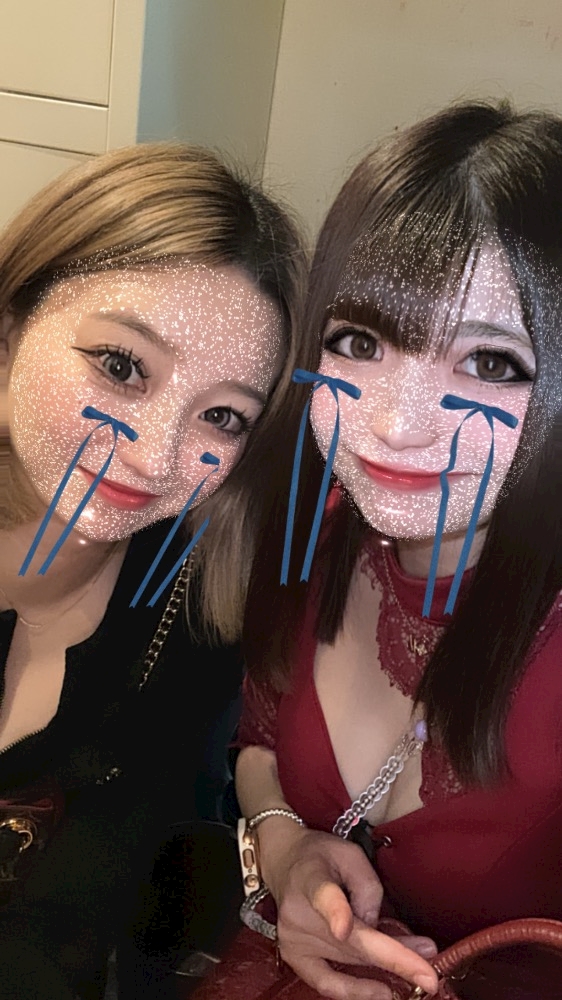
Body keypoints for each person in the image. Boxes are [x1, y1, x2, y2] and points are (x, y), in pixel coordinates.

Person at [233, 102, 562, 1000]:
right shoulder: (315, 527)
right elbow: (257, 740)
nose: (395, 425)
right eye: (361, 341)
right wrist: (286, 850)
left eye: (490, 363)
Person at [0, 142, 304, 999]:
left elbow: (66, 937)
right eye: (121, 365)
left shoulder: (192, 616)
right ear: (9, 336)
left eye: (222, 416)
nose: (157, 452)